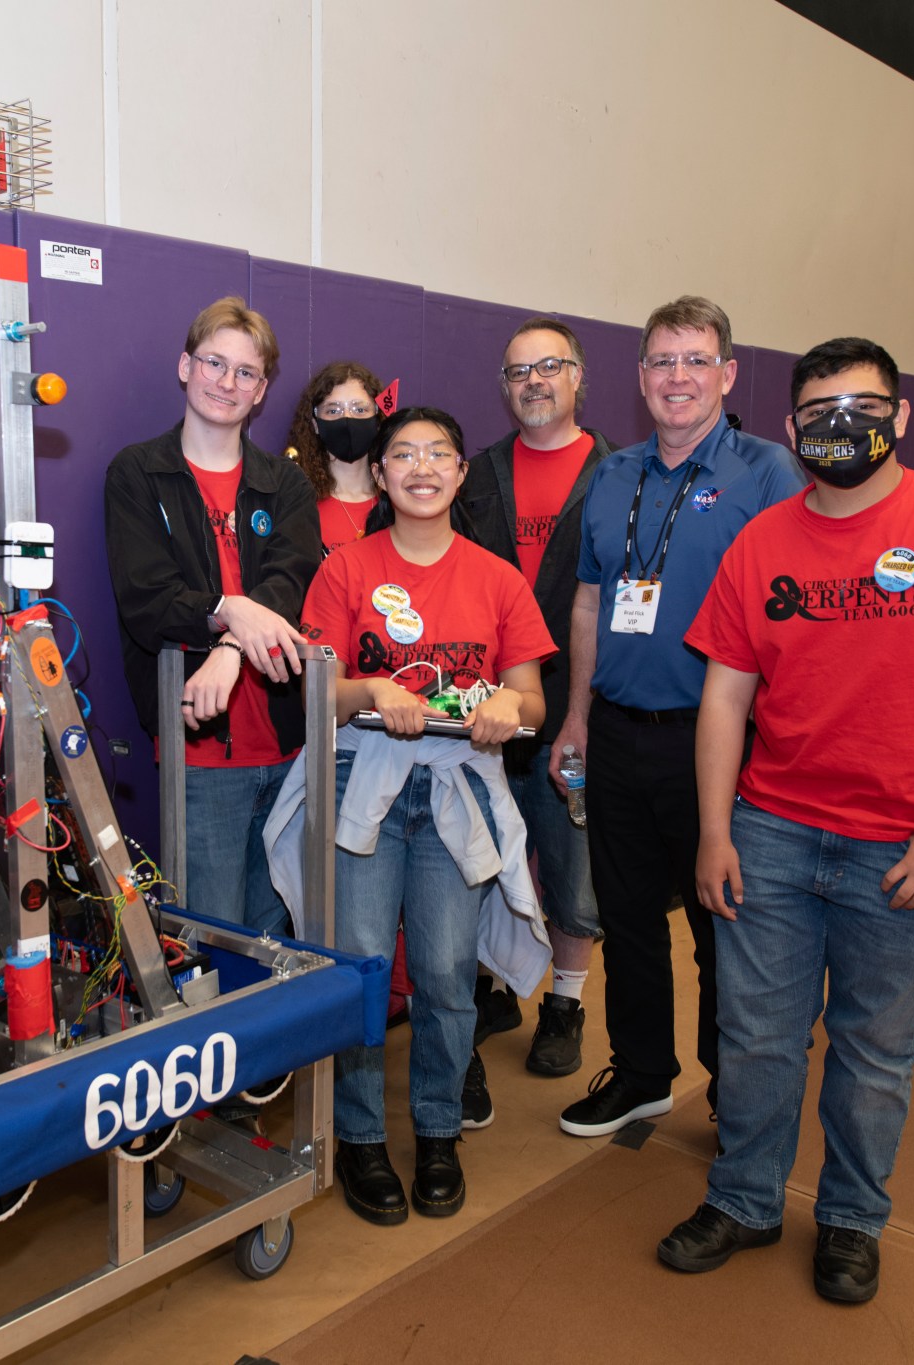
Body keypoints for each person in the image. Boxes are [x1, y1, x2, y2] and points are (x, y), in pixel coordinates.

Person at [658, 336, 914, 1305]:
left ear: (899, 415)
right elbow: (723, 697)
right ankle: (745, 1198)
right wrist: (714, 831)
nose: (838, 429)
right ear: (789, 427)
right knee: (754, 1037)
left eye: (860, 407)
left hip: (904, 850)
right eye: (816, 414)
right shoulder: (761, 542)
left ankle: (848, 1219)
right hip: (770, 832)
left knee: (874, 1051)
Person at [279, 406, 553, 1225]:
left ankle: (438, 1128)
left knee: (442, 971)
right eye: (404, 453)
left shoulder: (499, 578)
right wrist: (372, 692)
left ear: (462, 473)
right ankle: (361, 1136)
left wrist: (510, 706)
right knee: (362, 967)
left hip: (453, 792)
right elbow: (316, 688)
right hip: (364, 783)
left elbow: (534, 698)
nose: (421, 466)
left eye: (440, 452)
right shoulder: (344, 570)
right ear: (382, 473)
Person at [555, 296, 805, 1140]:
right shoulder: (613, 474)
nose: (678, 378)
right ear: (639, 378)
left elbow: (792, 615)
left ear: (728, 374)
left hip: (718, 740)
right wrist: (576, 718)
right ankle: (641, 1074)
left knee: (721, 925)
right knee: (625, 919)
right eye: (662, 361)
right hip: (619, 732)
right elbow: (591, 600)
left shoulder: (766, 472)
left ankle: (735, 1090)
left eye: (696, 361)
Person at [103, 297, 320, 934]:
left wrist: (228, 648)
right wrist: (230, 609)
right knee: (208, 945)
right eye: (214, 363)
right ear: (184, 366)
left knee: (280, 948)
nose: (226, 382)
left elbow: (294, 581)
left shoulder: (288, 485)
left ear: (262, 391)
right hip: (197, 757)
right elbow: (149, 600)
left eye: (245, 372)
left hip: (288, 751)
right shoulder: (139, 473)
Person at [454, 317, 614, 1112]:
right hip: (485, 709)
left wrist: (580, 709)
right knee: (482, 856)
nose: (534, 382)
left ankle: (566, 1001)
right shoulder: (476, 474)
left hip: (579, 707)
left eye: (549, 367)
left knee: (573, 866)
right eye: (518, 371)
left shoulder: (618, 474)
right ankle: (494, 987)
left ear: (579, 376)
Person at [287, 360, 387, 556]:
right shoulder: (296, 502)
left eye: (360, 409)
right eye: (333, 410)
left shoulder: (398, 502)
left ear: (377, 419)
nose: (347, 419)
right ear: (315, 424)